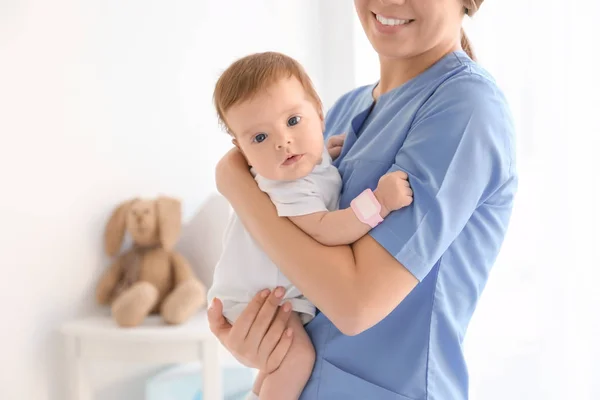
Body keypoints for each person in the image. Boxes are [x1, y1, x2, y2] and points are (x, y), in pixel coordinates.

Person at [208, 0, 518, 399]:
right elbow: (301, 281)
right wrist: (262, 338)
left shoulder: (466, 108)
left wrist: (237, 186)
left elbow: (355, 305)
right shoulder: (339, 112)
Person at [207, 52, 414, 399]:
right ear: (240, 149)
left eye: (293, 121)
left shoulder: (306, 165)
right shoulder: (284, 184)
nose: (282, 142)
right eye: (259, 138)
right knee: (296, 356)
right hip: (258, 299)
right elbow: (325, 228)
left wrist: (326, 154)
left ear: (319, 110)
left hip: (265, 295)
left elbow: (320, 178)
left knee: (277, 366)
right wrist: (379, 203)